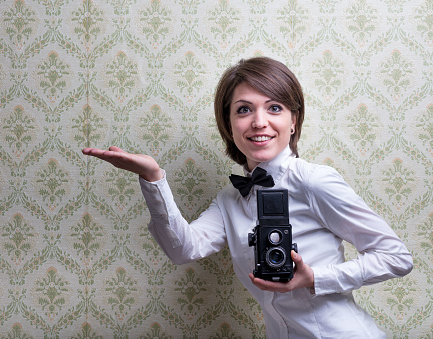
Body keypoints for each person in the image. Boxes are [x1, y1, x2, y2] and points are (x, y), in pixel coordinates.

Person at [82, 57, 413, 338]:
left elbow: (397, 257)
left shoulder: (315, 181)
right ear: (228, 123)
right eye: (244, 109)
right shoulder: (230, 200)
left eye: (274, 107)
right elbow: (183, 249)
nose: (259, 122)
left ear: (293, 120)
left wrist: (316, 278)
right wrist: (153, 177)